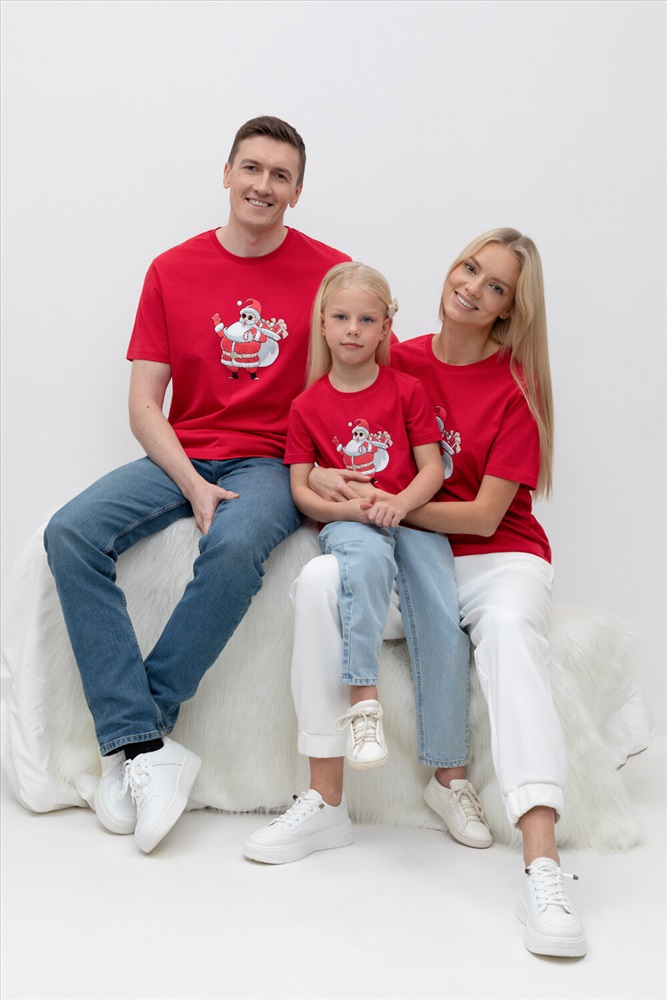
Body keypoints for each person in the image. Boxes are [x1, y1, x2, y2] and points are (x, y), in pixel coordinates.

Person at [246, 228, 587, 959]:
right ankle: (324, 800)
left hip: (497, 560)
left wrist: (384, 502)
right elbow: (328, 438)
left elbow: (483, 516)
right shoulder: (393, 358)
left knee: (509, 634)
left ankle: (542, 863)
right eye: (470, 267)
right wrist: (328, 482)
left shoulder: (516, 389)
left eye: (495, 287)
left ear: (509, 309)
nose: (472, 287)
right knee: (319, 581)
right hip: (406, 555)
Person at [43, 115, 349, 854]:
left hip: (273, 460)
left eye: (280, 175)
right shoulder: (171, 269)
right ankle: (146, 748)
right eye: (252, 168)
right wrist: (191, 482)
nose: (263, 185)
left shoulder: (330, 274)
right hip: (181, 452)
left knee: (236, 546)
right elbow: (144, 405)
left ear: (297, 191)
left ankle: (137, 733)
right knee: (70, 533)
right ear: (227, 174)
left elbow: (362, 373)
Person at [243, 261, 492, 863]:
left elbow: (431, 469)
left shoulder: (407, 390)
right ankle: (363, 705)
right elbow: (300, 489)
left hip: (410, 522)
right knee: (358, 569)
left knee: (443, 620)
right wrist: (348, 512)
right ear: (322, 325)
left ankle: (450, 779)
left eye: (366, 319)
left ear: (385, 328)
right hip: (354, 524)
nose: (352, 329)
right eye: (341, 318)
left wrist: (400, 505)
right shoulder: (306, 405)